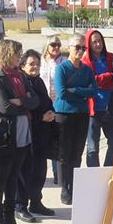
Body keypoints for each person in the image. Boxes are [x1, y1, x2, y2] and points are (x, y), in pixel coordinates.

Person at [0, 39, 39, 224]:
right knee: (1, 178)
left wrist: (20, 101)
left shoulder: (21, 76)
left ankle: (9, 217)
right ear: (7, 55)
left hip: (23, 133)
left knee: (14, 176)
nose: (20, 56)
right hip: (5, 135)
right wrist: (23, 103)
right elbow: (4, 107)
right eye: (17, 53)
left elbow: (35, 101)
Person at [53, 34, 97, 205]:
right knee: (65, 153)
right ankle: (65, 188)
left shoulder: (87, 69)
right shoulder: (62, 69)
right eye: (77, 47)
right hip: (64, 114)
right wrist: (82, 90)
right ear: (69, 48)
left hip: (82, 113)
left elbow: (93, 91)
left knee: (77, 152)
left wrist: (75, 90)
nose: (80, 51)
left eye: (83, 48)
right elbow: (62, 92)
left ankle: (75, 186)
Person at [16, 49, 57, 219]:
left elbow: (46, 101)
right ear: (23, 66)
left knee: (40, 170)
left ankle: (36, 202)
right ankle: (20, 205)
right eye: (31, 64)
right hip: (29, 133)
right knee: (26, 171)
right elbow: (26, 108)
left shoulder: (38, 81)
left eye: (38, 64)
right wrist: (41, 117)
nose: (35, 67)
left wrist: (51, 112)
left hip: (43, 133)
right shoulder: (22, 82)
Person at [82, 28, 113, 167]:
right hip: (93, 110)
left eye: (100, 41)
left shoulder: (111, 58)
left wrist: (100, 81)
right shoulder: (84, 61)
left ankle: (107, 170)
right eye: (94, 42)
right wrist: (108, 77)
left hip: (109, 107)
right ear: (88, 44)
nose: (98, 44)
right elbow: (90, 80)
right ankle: (93, 175)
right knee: (93, 146)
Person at [40, 36, 66, 184]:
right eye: (53, 44)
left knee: (57, 141)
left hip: (58, 105)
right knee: (44, 140)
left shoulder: (64, 62)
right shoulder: (40, 61)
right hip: (43, 105)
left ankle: (58, 174)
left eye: (58, 44)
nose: (56, 47)